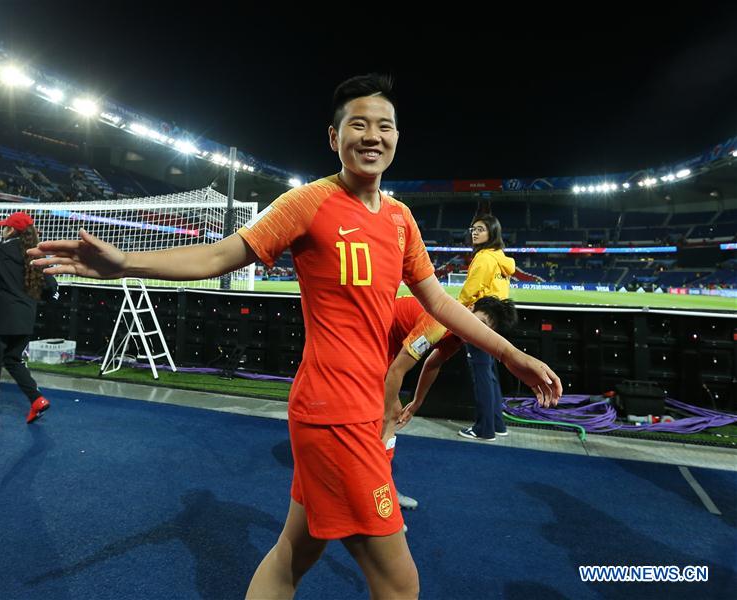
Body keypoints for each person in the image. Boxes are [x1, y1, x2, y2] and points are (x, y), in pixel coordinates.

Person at [29, 74, 561, 599]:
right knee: (399, 583)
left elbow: (440, 303)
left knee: (293, 552)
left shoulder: (400, 220)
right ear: (334, 138)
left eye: (385, 126)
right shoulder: (308, 203)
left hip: (345, 412)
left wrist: (510, 352)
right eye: (358, 124)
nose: (372, 135)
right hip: (336, 416)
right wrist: (125, 262)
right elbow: (220, 255)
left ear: (397, 137)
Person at [382, 295, 518, 509]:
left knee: (385, 422)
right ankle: (377, 494)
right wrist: (389, 407)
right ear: (470, 308)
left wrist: (417, 402)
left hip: (387, 345)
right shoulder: (438, 324)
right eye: (479, 323)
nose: (476, 333)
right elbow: (397, 370)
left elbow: (432, 365)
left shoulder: (457, 336)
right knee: (386, 418)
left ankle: (380, 489)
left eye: (484, 331)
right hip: (371, 337)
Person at [0, 211, 58, 429]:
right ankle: (37, 399)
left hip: (0, 319)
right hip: (26, 319)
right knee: (14, 360)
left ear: (12, 230)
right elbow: (51, 288)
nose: (3, 228)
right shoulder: (35, 254)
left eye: (5, 226)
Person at [456, 214, 516, 441]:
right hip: (496, 320)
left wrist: (454, 312)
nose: (474, 232)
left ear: (492, 232)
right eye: (473, 228)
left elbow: (468, 292)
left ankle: (484, 428)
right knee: (489, 373)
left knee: (481, 374)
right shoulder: (500, 258)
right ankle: (497, 424)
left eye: (480, 229)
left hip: (480, 319)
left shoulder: (483, 258)